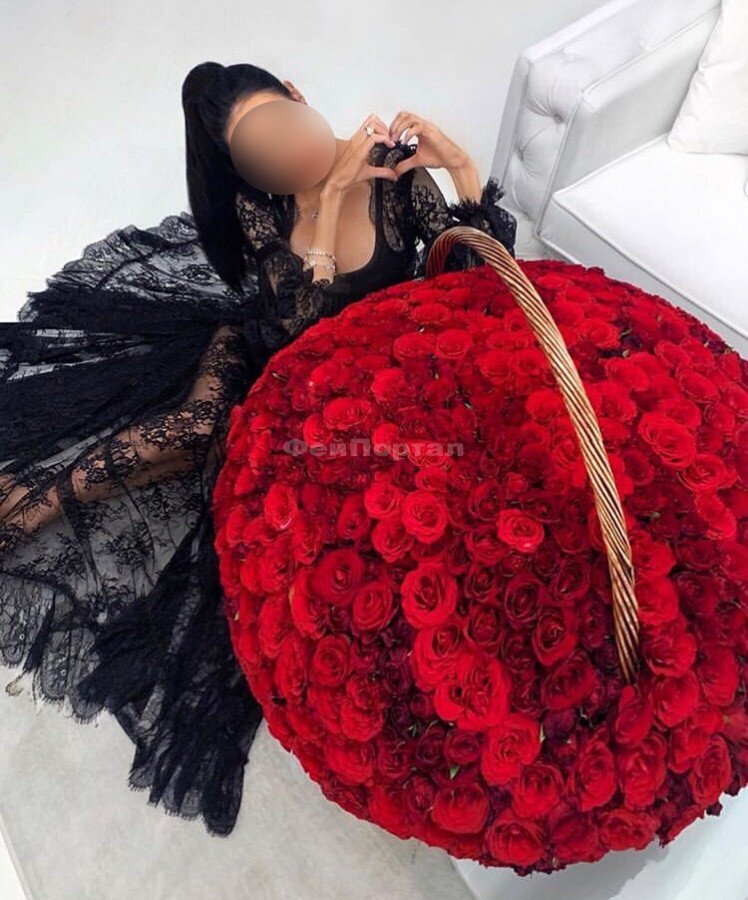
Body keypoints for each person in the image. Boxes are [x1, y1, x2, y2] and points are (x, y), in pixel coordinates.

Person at [0, 61, 517, 837]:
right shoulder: (261, 207)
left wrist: (464, 171)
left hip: (354, 389)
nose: (283, 155)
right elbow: (293, 337)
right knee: (193, 428)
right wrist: (327, 203)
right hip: (277, 357)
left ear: (301, 98)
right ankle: (31, 499)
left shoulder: (397, 176)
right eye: (257, 155)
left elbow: (477, 290)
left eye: (281, 126)